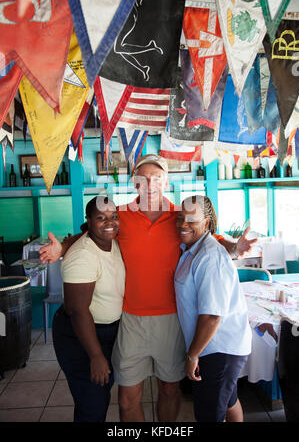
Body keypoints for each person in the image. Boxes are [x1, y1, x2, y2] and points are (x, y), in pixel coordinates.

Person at [40, 154, 256, 422]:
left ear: (166, 181)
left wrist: (234, 247)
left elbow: (208, 236)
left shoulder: (180, 216)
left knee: (169, 389)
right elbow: (89, 234)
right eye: (143, 178)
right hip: (131, 319)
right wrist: (62, 247)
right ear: (135, 182)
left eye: (157, 178)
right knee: (128, 396)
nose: (150, 184)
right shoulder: (121, 216)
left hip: (171, 320)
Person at [174, 195, 252, 422]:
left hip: (218, 349)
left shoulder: (210, 256)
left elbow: (211, 316)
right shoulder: (193, 249)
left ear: (207, 223)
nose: (183, 224)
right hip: (213, 346)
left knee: (209, 414)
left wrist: (192, 355)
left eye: (191, 219)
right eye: (180, 218)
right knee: (228, 401)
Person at [52, 196, 125, 422]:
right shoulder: (83, 255)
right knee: (92, 404)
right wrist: (96, 356)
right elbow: (78, 311)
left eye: (113, 217)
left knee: (99, 396)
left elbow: (86, 234)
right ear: (89, 221)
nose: (109, 222)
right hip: (81, 336)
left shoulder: (111, 241)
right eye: (100, 218)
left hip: (107, 331)